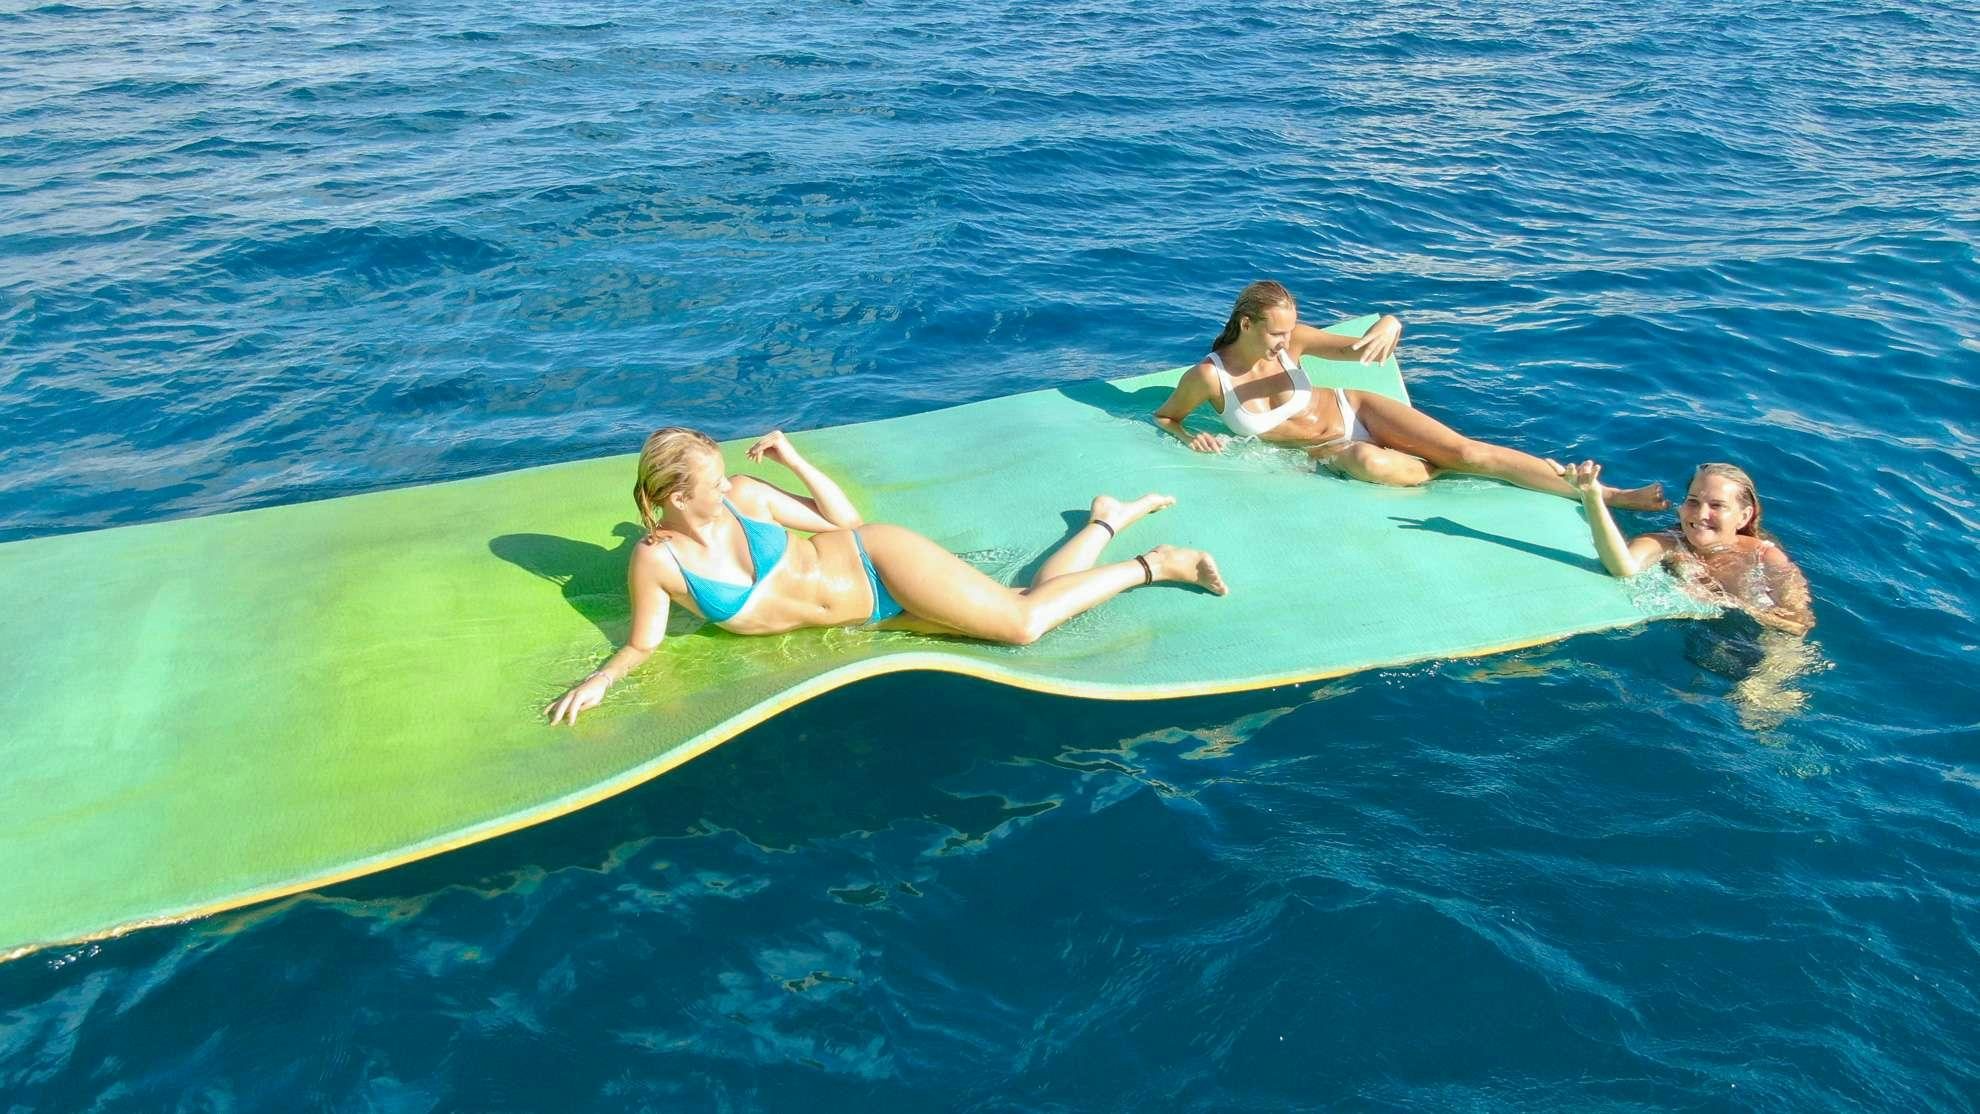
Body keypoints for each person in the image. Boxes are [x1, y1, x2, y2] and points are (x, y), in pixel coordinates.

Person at [545, 427, 1228, 724]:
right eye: (710, 481)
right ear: (673, 495)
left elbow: (841, 519)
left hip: (877, 559)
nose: (724, 486)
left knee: (1022, 625)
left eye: (726, 473)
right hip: (873, 611)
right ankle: (1106, 521)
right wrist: (601, 681)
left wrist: (794, 459)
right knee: (1024, 602)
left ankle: (1156, 564)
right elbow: (644, 642)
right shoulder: (657, 560)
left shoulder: (745, 495)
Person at [1153, 280, 1667, 509]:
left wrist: (1391, 323)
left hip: (1357, 408)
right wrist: (1190, 437)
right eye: (1276, 333)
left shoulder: (1298, 341)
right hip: (1328, 452)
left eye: (1291, 331)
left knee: (1470, 452)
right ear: (1246, 324)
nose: (1287, 341)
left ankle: (1608, 495)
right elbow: (1167, 418)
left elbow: (1363, 346)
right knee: (1371, 464)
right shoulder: (1209, 377)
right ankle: (1433, 464)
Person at [1563, 459, 1814, 635]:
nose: (1701, 514)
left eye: (1717, 506)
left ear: (1743, 516)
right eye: (1693, 502)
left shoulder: (1766, 557)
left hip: (1755, 635)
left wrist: (1726, 603)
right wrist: (1592, 498)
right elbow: (1623, 566)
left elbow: (1797, 624)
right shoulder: (1668, 542)